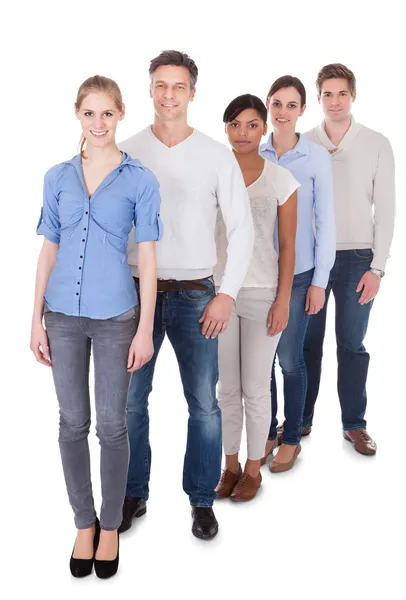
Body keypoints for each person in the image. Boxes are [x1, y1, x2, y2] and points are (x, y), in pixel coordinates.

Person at [119, 51, 254, 539]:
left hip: (199, 294)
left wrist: (228, 294)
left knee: (204, 404)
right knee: (132, 402)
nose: (169, 95)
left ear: (193, 93)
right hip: (136, 295)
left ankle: (201, 500)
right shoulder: (127, 151)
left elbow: (242, 229)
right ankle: (133, 492)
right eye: (161, 85)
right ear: (150, 89)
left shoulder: (216, 155)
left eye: (178, 86)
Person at [30, 75, 161, 578]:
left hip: (116, 319)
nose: (99, 122)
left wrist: (146, 327)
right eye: (90, 113)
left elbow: (147, 260)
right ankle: (82, 522)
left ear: (121, 114)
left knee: (111, 426)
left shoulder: (139, 180)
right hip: (61, 316)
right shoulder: (57, 176)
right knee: (71, 424)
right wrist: (34, 320)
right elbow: (47, 251)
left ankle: (110, 527)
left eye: (108, 113)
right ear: (78, 115)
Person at [302, 63, 395, 455]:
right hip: (312, 260)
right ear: (318, 98)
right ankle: (299, 421)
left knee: (352, 344)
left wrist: (378, 268)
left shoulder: (376, 142)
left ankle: (354, 424)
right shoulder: (304, 143)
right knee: (306, 344)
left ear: (353, 96)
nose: (335, 101)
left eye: (342, 93)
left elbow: (386, 209)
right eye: (327, 94)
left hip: (358, 259)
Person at [214, 94, 298, 500]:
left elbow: (287, 244)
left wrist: (283, 300)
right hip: (219, 295)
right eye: (234, 124)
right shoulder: (214, 172)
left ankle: (252, 469)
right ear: (225, 129)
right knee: (226, 388)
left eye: (251, 124)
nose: (242, 132)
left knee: (255, 386)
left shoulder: (280, 178)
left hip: (263, 294)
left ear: (264, 128)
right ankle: (229, 465)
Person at [260, 76, 336, 471]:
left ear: (303, 110)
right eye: (276, 103)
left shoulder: (315, 156)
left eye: (291, 105)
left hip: (301, 274)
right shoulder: (256, 152)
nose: (283, 112)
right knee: (263, 360)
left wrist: (321, 281)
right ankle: (268, 431)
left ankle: (292, 438)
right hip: (261, 276)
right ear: (268, 106)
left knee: (290, 359)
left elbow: (326, 221)